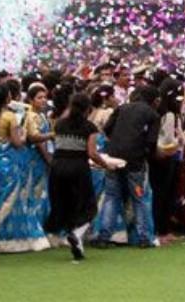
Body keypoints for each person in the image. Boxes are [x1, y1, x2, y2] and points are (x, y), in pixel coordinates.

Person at [46, 93, 116, 261]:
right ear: (87, 108)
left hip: (57, 168)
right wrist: (106, 165)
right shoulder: (89, 127)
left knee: (66, 204)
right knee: (89, 206)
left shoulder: (60, 124)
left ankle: (77, 244)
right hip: (77, 168)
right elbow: (92, 153)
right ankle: (77, 234)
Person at [0, 83, 50, 253]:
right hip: (9, 161)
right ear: (7, 98)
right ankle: (10, 239)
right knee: (13, 200)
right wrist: (23, 135)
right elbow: (17, 142)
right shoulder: (10, 116)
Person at [96, 85, 160, 248]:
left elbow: (107, 129)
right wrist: (143, 152)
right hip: (135, 161)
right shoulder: (153, 114)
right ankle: (144, 238)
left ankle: (104, 236)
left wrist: (117, 142)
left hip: (114, 158)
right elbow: (152, 142)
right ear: (154, 100)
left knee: (111, 196)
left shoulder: (121, 108)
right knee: (139, 198)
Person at [150, 78, 183, 238]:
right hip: (166, 156)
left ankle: (157, 229)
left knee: (156, 193)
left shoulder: (156, 111)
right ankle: (162, 230)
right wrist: (184, 139)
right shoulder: (169, 115)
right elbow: (169, 140)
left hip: (154, 155)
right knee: (164, 194)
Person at [24, 83, 54, 238]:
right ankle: (34, 229)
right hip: (35, 159)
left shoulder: (41, 115)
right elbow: (35, 138)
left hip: (43, 157)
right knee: (36, 193)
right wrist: (51, 135)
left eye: (45, 97)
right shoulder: (31, 116)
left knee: (43, 193)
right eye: (39, 98)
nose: (43, 100)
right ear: (30, 99)